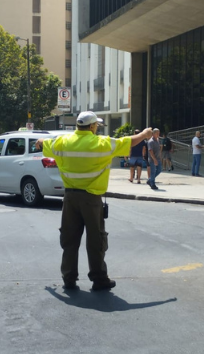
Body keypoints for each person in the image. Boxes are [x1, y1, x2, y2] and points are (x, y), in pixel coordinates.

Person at [36, 111, 153, 292]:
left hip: (70, 199)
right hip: (91, 199)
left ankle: (69, 278)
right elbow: (129, 141)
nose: (97, 128)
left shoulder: (62, 142)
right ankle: (99, 279)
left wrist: (41, 142)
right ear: (91, 127)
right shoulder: (101, 143)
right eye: (96, 125)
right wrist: (145, 135)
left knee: (69, 240)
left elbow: (42, 143)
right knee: (95, 240)